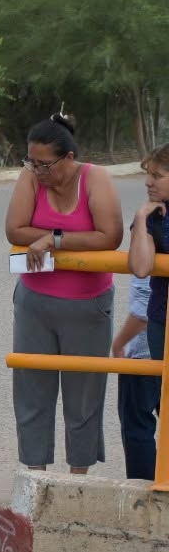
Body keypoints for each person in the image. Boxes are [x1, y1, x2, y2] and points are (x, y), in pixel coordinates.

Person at [6, 114, 123, 474]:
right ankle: (35, 476)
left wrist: (53, 239)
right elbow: (14, 228)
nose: (37, 171)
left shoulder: (95, 178)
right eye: (31, 162)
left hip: (87, 305)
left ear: (69, 158)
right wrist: (65, 238)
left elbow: (110, 236)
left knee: (84, 395)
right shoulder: (31, 179)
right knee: (32, 391)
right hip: (35, 300)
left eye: (45, 164)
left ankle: (77, 479)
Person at [125, 143, 169, 474]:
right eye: (148, 175)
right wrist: (141, 219)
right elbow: (141, 267)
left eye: (158, 175)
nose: (149, 182)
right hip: (161, 322)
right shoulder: (153, 217)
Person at [112, 276, 158, 480]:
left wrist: (119, 343)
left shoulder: (152, 242)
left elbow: (144, 308)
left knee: (138, 429)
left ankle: (146, 497)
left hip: (147, 354)